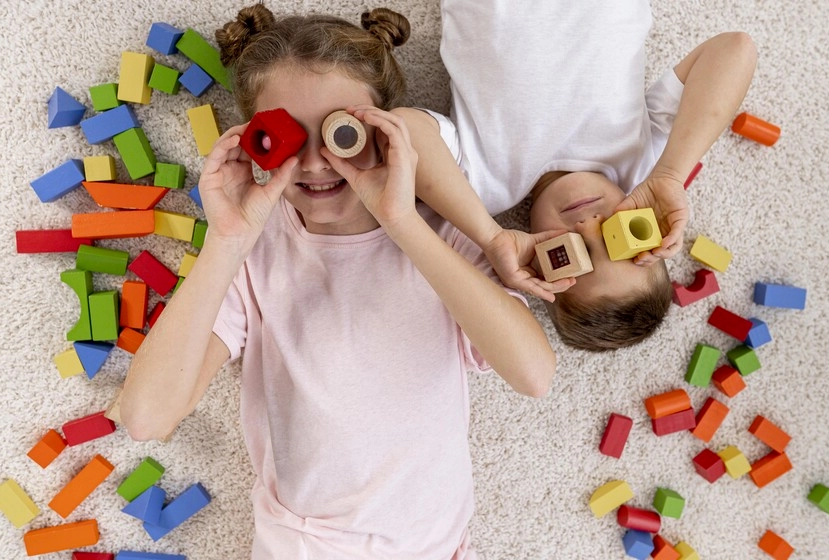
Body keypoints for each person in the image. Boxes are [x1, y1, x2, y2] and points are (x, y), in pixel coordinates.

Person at [117, 4, 556, 559]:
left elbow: (534, 375)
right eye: (283, 137)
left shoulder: (440, 237)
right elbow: (146, 417)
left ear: (382, 128)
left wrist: (401, 220)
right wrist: (226, 240)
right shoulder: (255, 250)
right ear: (253, 139)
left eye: (339, 133)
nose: (318, 163)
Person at [375, 0, 757, 350]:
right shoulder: (642, 169)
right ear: (649, 227)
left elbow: (404, 129)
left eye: (574, 253)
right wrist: (672, 173)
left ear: (538, 264)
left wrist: (489, 237)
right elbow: (735, 49)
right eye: (619, 237)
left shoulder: (485, 186)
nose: (590, 226)